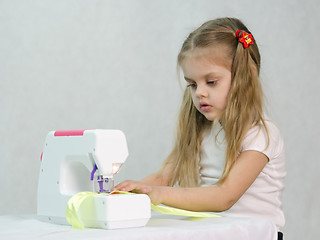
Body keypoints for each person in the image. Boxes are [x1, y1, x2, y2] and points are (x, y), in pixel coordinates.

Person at [114, 17, 285, 239]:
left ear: (245, 77)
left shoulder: (261, 134)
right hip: (218, 232)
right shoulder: (202, 130)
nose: (199, 93)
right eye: (193, 84)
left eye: (211, 82)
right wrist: (123, 193)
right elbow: (162, 178)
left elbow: (225, 196)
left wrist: (159, 194)